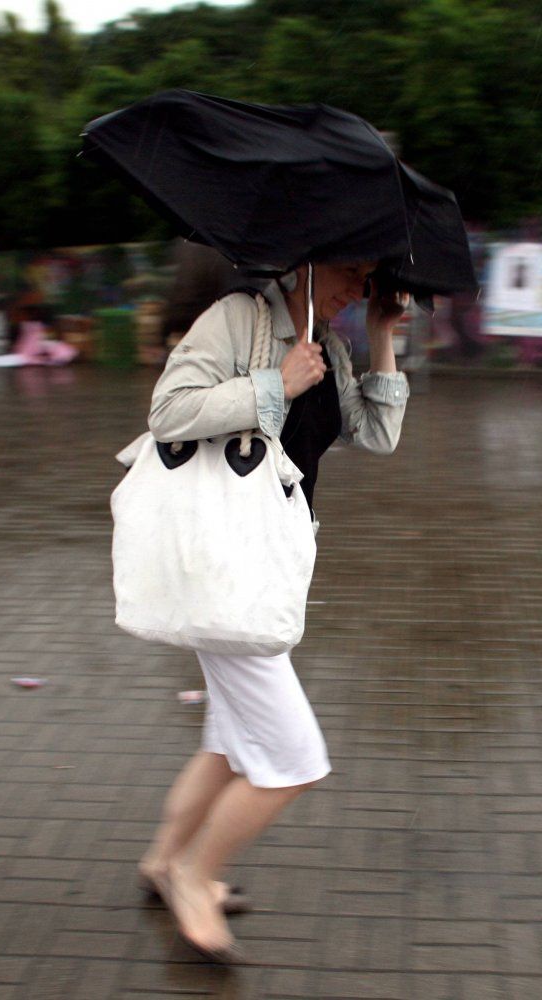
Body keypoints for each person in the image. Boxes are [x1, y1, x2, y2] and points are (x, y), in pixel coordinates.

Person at [136, 261, 410, 962]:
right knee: (291, 758)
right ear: (306, 259)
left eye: (368, 276)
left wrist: (380, 336)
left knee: (230, 744)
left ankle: (166, 860)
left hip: (269, 563)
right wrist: (273, 385)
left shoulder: (331, 346)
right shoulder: (238, 321)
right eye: (350, 270)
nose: (359, 284)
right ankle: (196, 878)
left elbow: (376, 437)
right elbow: (168, 411)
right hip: (225, 563)